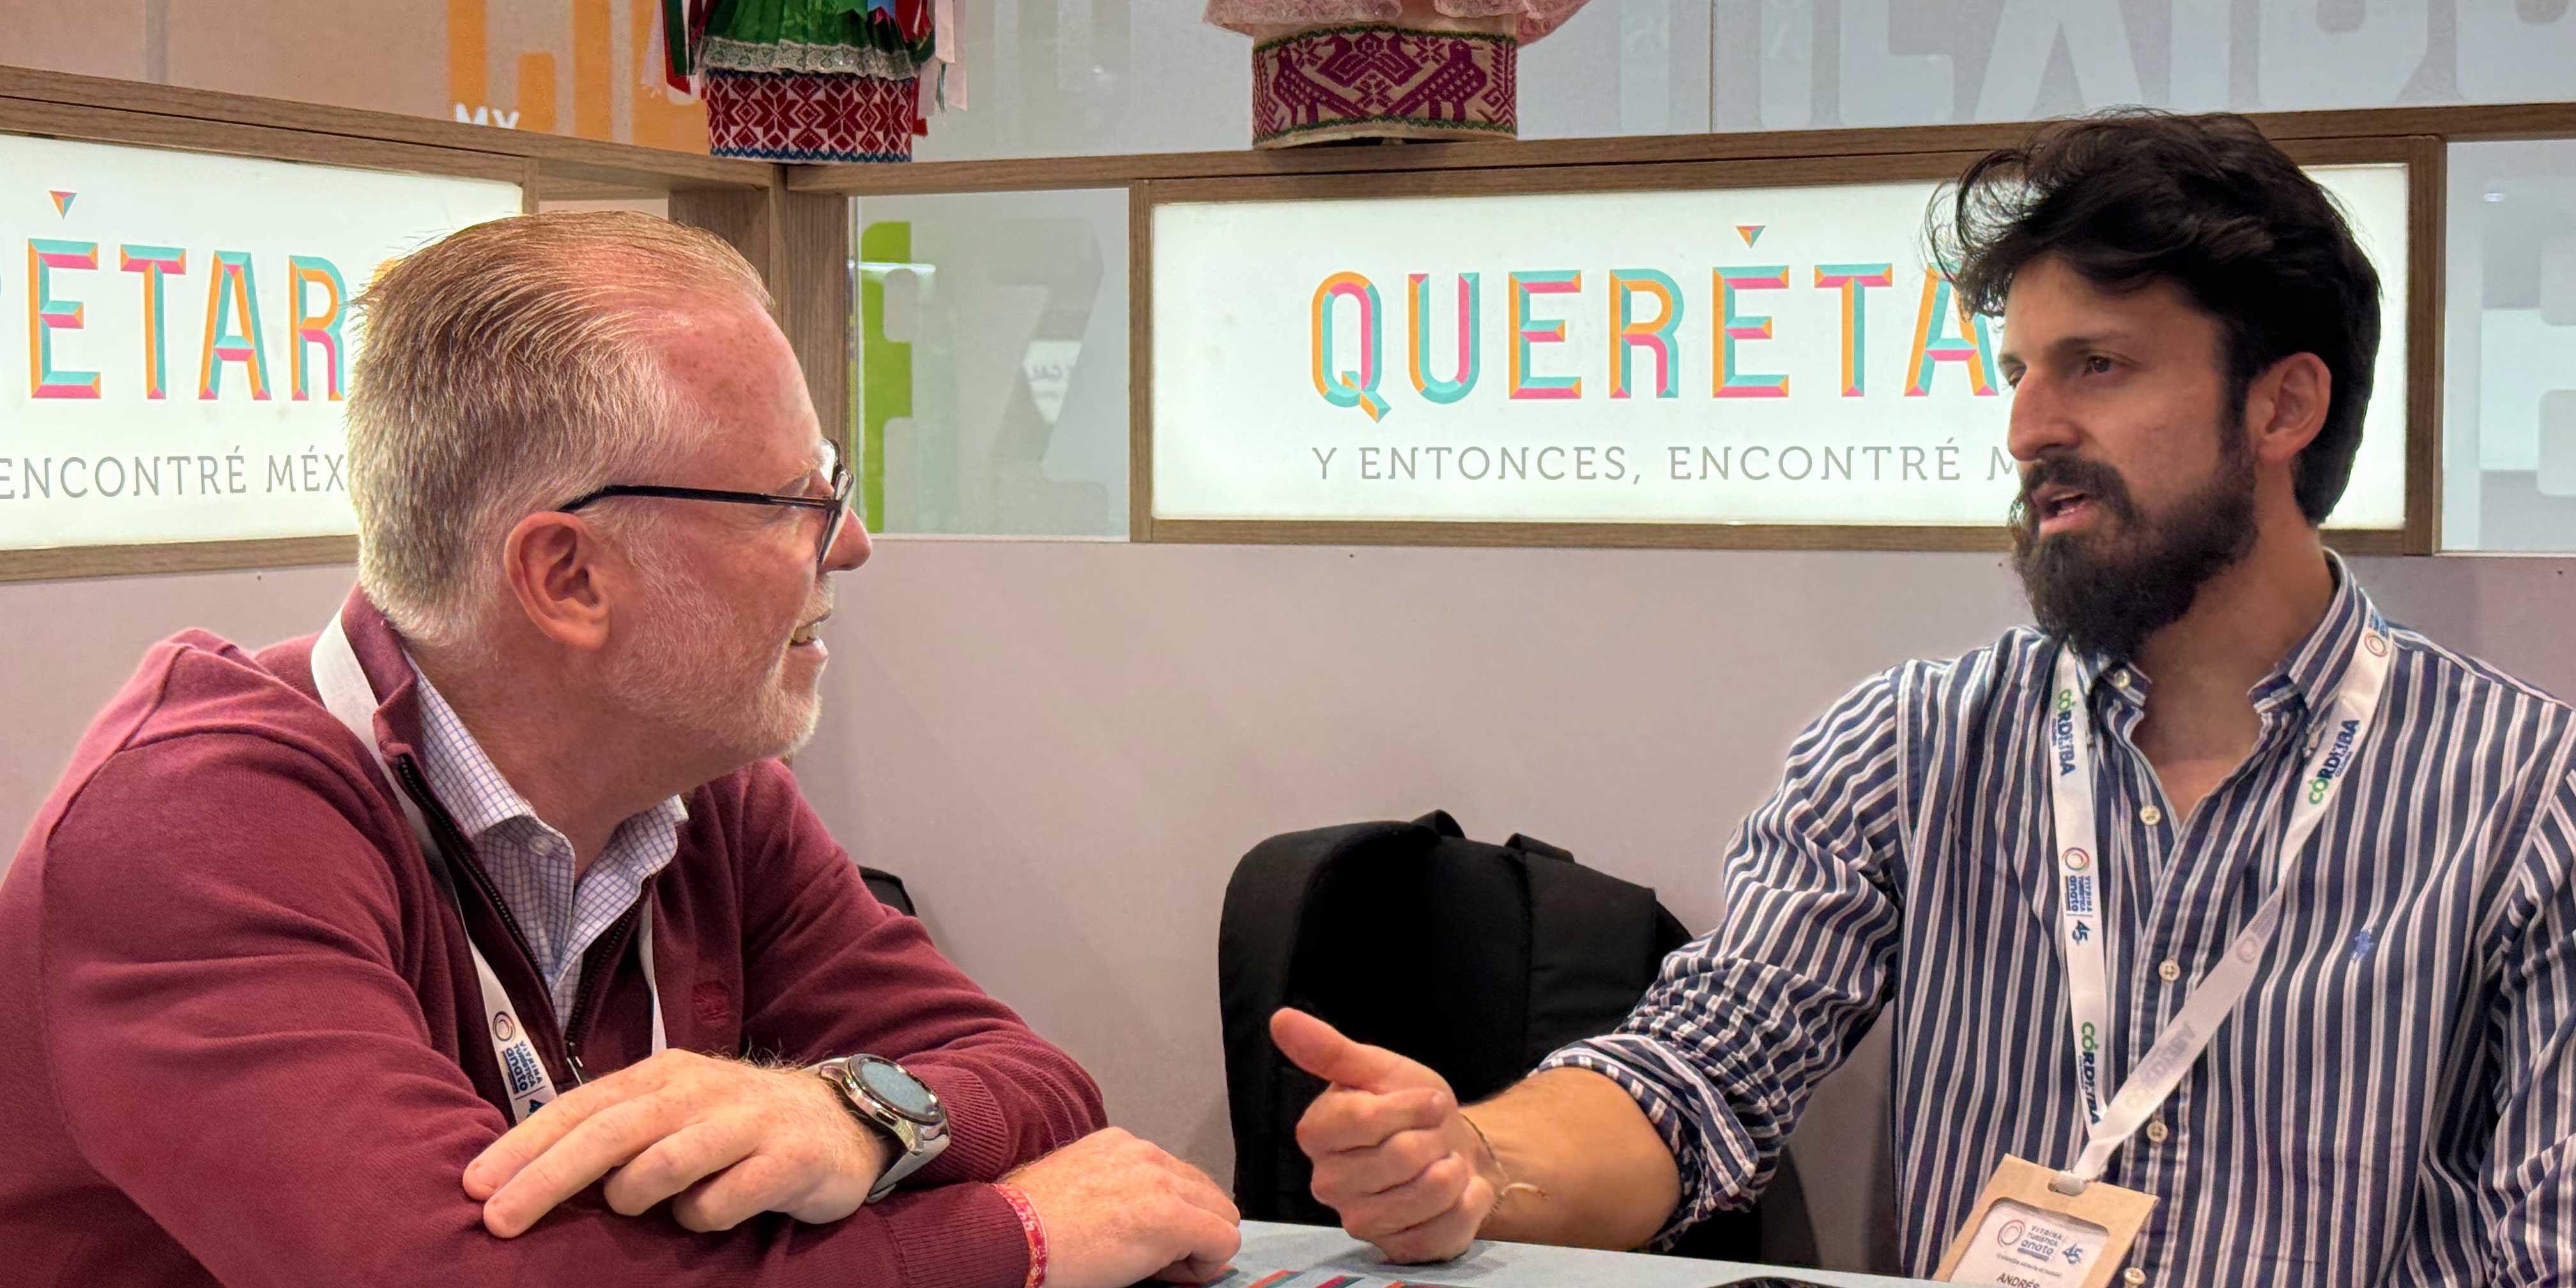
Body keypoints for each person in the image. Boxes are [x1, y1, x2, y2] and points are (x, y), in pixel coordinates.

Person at [1275, 111, 2576, 1286]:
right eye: (2018, 372)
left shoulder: (2527, 794)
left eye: (2099, 366)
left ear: (2283, 404)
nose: (2028, 429)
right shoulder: (1912, 746)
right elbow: (1702, 1069)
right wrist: (1476, 1164)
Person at [0, 211, 1241, 1288]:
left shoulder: (706, 788)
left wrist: (849, 1112)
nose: (852, 544)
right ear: (568, 576)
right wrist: (1013, 1239)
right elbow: (458, 1280)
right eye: (794, 501)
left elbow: (1033, 1084)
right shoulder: (192, 829)